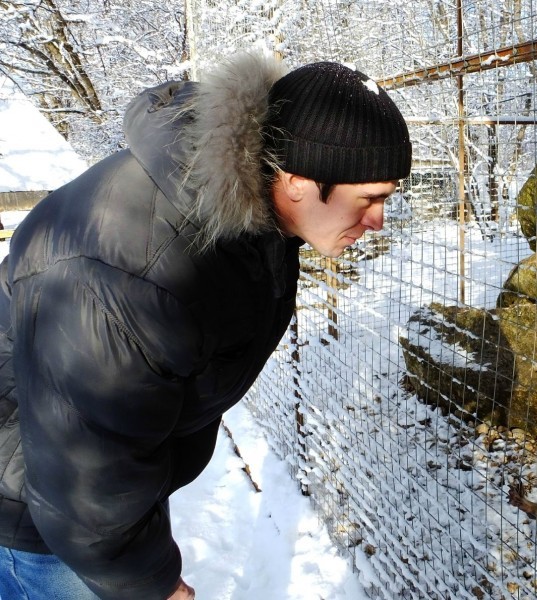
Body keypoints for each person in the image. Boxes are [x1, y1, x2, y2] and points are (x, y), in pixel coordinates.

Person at [0, 53, 411, 599]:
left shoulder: (249, 211)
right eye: (370, 199)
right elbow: (86, 468)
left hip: (86, 490)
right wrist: (151, 581)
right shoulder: (135, 271)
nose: (379, 221)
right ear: (296, 181)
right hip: (42, 517)